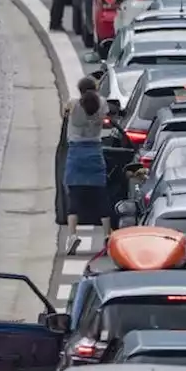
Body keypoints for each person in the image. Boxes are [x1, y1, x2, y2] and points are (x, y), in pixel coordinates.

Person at [63, 76, 111, 254]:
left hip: (76, 152)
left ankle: (73, 235)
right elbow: (107, 115)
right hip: (95, 152)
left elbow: (64, 113)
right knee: (100, 195)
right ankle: (107, 234)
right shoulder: (102, 104)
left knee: (74, 196)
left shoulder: (73, 104)